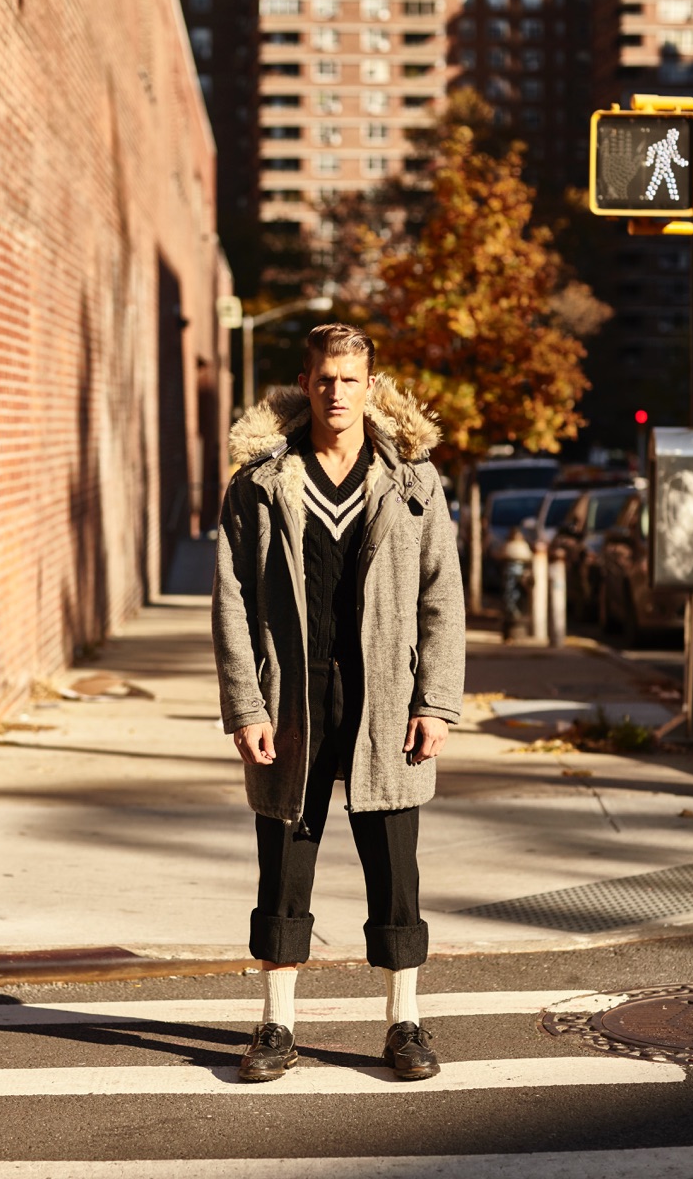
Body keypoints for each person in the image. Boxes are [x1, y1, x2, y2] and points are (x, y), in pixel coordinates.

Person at [212, 323, 465, 1083]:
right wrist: (246, 706)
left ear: (368, 384)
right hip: (293, 698)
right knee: (285, 865)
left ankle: (405, 1024)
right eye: (325, 378)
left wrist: (438, 702)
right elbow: (230, 599)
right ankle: (275, 1026)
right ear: (306, 380)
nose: (336, 392)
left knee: (395, 867)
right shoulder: (260, 482)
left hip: (386, 697)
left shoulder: (412, 479)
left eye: (350, 379)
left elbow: (441, 598)